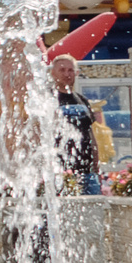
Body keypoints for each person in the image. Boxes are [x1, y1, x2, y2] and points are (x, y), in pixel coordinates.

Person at [53, 57, 107, 195]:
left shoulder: (82, 100)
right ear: (53, 73)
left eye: (70, 70)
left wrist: (96, 167)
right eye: (62, 70)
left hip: (87, 172)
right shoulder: (48, 99)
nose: (67, 74)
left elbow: (90, 134)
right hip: (60, 173)